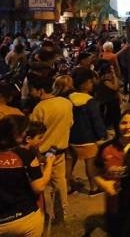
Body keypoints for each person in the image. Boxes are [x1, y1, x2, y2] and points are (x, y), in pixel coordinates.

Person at [0, 114, 53, 236]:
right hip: (24, 220)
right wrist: (49, 164)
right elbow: (38, 187)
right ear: (17, 135)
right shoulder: (24, 155)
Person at [28, 74, 73, 226]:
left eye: (32, 90)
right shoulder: (66, 103)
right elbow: (70, 123)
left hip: (41, 153)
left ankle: (43, 216)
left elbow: (33, 133)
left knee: (41, 187)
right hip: (59, 150)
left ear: (40, 90)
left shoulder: (39, 108)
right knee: (60, 184)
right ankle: (62, 215)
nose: (30, 93)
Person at [68, 68, 107, 195]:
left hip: (72, 137)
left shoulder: (69, 98)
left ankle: (68, 185)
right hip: (88, 138)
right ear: (85, 83)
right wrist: (102, 135)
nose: (92, 84)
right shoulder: (90, 101)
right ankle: (93, 187)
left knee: (70, 162)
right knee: (90, 163)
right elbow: (96, 120)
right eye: (90, 82)